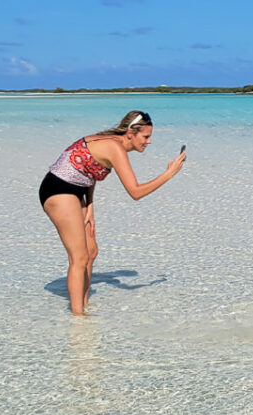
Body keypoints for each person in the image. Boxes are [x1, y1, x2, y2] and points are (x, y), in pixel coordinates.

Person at [39, 110, 186, 316]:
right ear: (130, 133)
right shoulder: (115, 148)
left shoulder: (113, 143)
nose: (149, 142)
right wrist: (169, 174)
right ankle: (78, 318)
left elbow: (88, 168)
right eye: (145, 136)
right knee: (79, 257)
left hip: (78, 192)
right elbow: (135, 192)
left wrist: (89, 205)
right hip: (58, 189)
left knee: (91, 252)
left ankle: (84, 305)